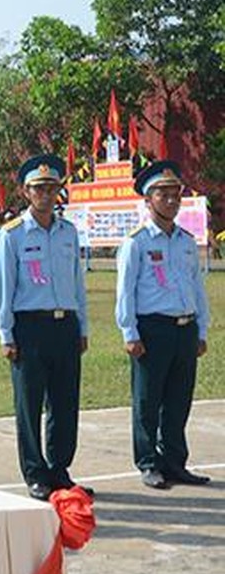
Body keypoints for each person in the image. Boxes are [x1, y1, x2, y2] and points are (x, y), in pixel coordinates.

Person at [0, 154, 90, 501]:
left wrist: (83, 326)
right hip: (29, 328)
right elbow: (5, 287)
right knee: (30, 404)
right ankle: (35, 472)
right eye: (39, 188)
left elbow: (77, 283)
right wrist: (6, 334)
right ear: (26, 191)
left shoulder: (68, 232)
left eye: (51, 188)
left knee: (65, 402)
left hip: (65, 326)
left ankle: (60, 469)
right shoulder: (13, 235)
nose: (46, 194)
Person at [116, 161, 211, 489]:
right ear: (148, 200)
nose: (171, 201)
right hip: (152, 330)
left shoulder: (185, 240)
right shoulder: (137, 242)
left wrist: (201, 329)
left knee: (178, 400)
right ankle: (148, 462)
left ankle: (174, 462)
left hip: (184, 328)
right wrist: (129, 332)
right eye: (163, 195)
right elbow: (125, 292)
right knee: (147, 400)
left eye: (176, 195)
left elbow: (197, 287)